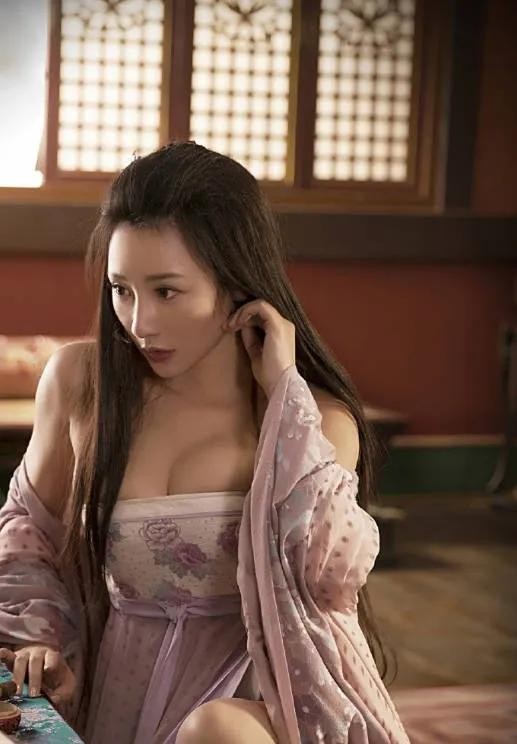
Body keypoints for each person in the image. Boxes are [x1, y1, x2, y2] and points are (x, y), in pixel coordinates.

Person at [0, 142, 410, 743]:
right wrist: (43, 641)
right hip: (122, 688)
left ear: (235, 282)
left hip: (252, 706)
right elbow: (28, 532)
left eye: (167, 291)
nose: (139, 323)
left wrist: (284, 395)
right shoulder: (81, 385)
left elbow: (325, 578)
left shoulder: (314, 420)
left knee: (213, 732)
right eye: (121, 289)